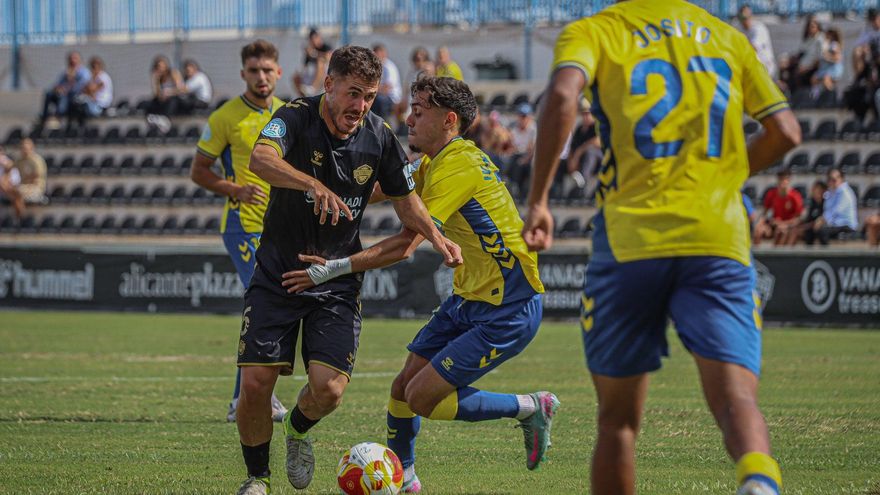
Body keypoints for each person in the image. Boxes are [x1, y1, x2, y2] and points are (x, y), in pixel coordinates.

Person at [522, 2, 801, 494]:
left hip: (630, 243)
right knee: (737, 399)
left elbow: (563, 96)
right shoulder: (727, 37)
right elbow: (785, 132)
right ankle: (758, 479)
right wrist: (725, 175)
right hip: (717, 240)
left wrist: (540, 198)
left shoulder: (597, 30)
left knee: (618, 423)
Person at [282, 76, 559, 493]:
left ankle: (529, 407)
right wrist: (317, 184)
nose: (408, 118)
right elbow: (383, 190)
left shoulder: (457, 165)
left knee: (422, 399)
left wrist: (334, 268)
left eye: (420, 110)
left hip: (509, 308)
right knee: (401, 390)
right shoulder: (436, 161)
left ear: (449, 119)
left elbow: (407, 244)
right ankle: (407, 480)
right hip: (469, 298)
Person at [235, 45, 461, 495]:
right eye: (353, 93)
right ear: (329, 86)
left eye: (370, 96)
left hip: (335, 280)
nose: (360, 106)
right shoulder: (296, 117)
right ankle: (257, 479)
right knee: (256, 383)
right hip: (279, 271)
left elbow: (406, 200)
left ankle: (297, 431)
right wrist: (311, 182)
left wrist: (436, 237)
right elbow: (261, 159)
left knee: (330, 390)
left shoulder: (378, 136)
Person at [189, 40, 289, 426]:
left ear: (278, 72)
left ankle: (243, 398)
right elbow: (199, 171)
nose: (261, 77)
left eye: (267, 70)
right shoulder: (225, 117)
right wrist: (235, 189)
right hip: (242, 228)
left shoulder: (289, 114)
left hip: (280, 229)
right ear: (243, 73)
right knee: (264, 304)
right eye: (254, 70)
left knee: (269, 306)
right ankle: (246, 399)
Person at [37, 51, 91, 130]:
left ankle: (59, 116)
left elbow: (81, 86)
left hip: (74, 97)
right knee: (49, 93)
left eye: (75, 59)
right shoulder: (66, 72)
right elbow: (57, 84)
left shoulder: (84, 72)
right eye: (71, 59)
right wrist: (58, 88)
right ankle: (44, 118)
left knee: (63, 96)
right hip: (62, 94)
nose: (72, 61)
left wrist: (67, 87)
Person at [804, 168, 858, 246]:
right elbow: (826, 209)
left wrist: (821, 220)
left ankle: (827, 257)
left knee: (822, 230)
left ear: (841, 179)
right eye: (830, 179)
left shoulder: (845, 192)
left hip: (846, 226)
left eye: (835, 179)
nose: (832, 181)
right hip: (834, 225)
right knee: (809, 231)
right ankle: (808, 256)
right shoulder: (830, 192)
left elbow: (836, 211)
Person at [752, 170, 803, 246]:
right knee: (759, 230)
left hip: (789, 226)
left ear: (789, 180)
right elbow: (765, 213)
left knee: (782, 231)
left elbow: (798, 218)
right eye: (780, 179)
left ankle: (779, 256)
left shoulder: (795, 196)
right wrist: (760, 223)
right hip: (775, 224)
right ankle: (755, 255)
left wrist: (785, 224)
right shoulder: (771, 194)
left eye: (785, 179)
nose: (782, 181)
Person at [69, 56, 114, 128]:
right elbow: (83, 90)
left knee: (82, 103)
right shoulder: (93, 77)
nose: (93, 69)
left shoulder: (103, 77)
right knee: (75, 101)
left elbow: (91, 89)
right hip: (94, 103)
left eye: (95, 67)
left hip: (101, 106)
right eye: (92, 67)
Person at [737, 5, 777, 79]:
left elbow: (753, 47)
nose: (745, 20)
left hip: (765, 68)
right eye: (742, 18)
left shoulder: (758, 28)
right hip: (752, 68)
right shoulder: (740, 30)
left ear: (751, 16)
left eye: (746, 17)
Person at [292, 27, 332, 98]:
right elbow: (305, 66)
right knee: (296, 76)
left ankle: (313, 89)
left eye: (315, 37)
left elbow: (328, 57)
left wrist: (314, 53)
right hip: (311, 73)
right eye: (311, 38)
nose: (313, 40)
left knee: (320, 62)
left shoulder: (325, 46)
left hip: (324, 73)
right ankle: (303, 97)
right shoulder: (310, 49)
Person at [783, 180, 826, 245]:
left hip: (817, 229)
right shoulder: (810, 202)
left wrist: (803, 227)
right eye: (815, 189)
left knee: (796, 231)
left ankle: (788, 253)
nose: (816, 192)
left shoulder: (826, 203)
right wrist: (791, 224)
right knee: (788, 230)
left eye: (819, 190)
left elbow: (820, 221)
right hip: (808, 227)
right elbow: (803, 217)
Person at [372, 44, 403, 121]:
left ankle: (381, 124)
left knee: (379, 101)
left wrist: (373, 89)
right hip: (380, 94)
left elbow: (387, 88)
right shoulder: (376, 66)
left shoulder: (389, 67)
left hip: (392, 98)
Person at [13, 138, 47, 205]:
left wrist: (27, 186)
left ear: (31, 148)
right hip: (22, 186)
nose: (24, 150)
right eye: (22, 148)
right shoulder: (19, 161)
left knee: (18, 193)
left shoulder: (37, 161)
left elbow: (37, 178)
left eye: (25, 148)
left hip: (35, 188)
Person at [812, 28, 844, 97]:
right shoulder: (824, 44)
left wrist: (827, 57)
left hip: (833, 69)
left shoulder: (834, 45)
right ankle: (816, 96)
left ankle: (834, 96)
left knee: (826, 80)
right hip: (825, 69)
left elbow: (837, 58)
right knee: (814, 79)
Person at [0, 147, 25, 222]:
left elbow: (14, 182)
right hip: (5, 190)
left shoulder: (8, 164)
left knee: (17, 194)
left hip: (8, 190)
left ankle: (20, 219)